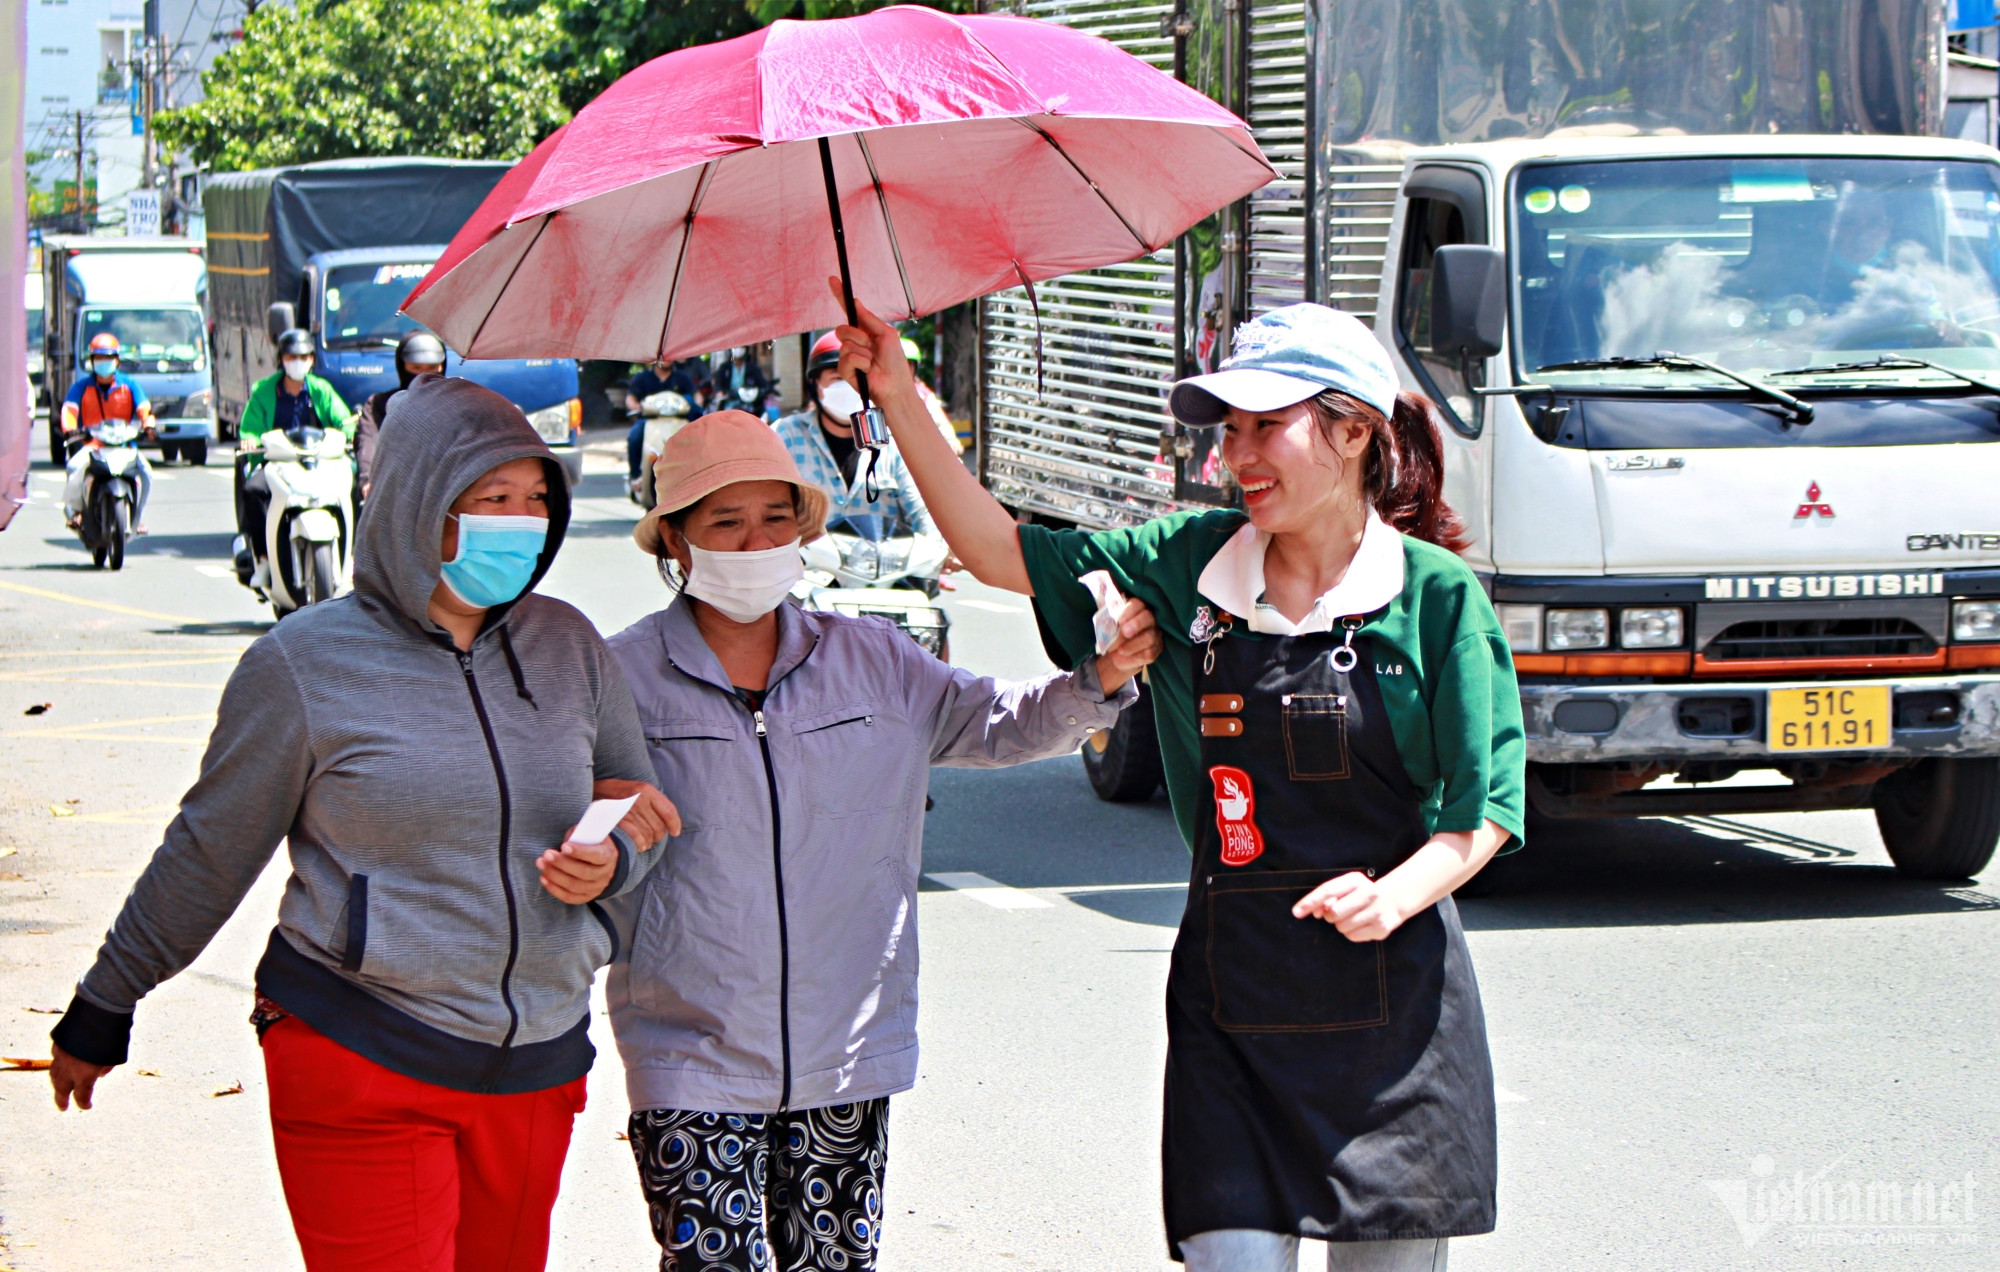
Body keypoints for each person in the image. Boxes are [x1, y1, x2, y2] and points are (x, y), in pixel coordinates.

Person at [832, 295, 1527, 1272]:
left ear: (1352, 432)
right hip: (1232, 1000)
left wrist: (1392, 896)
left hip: (1395, 1014)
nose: (1233, 456)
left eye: (1263, 427)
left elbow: (1481, 807)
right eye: (1226, 430)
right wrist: (899, 394)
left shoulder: (1436, 597)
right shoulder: (1183, 563)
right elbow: (995, 551)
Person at [47, 376, 682, 1271]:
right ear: (419, 502)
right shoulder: (305, 664)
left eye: (537, 498)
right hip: (362, 1050)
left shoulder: (568, 644)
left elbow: (635, 798)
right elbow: (209, 849)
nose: (523, 518)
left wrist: (613, 860)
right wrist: (106, 1000)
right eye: (492, 498)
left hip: (536, 1063)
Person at [604, 410, 1162, 1272]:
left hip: (846, 1053)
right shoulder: (620, 679)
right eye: (724, 521)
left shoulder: (875, 658)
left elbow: (1001, 722)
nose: (755, 541)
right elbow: (577, 829)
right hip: (691, 1054)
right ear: (675, 541)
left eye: (775, 518)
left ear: (804, 530)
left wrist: (1103, 679)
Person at [775, 332, 937, 541]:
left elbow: (922, 508)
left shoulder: (894, 440)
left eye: (856, 378)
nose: (849, 387)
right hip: (811, 570)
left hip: (885, 569)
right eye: (837, 378)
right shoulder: (784, 436)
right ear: (815, 384)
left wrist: (939, 547)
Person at [235, 330, 355, 582]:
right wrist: (250, 439)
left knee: (354, 485)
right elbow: (250, 428)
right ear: (282, 359)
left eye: (304, 356)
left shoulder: (321, 390)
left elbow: (343, 419)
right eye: (292, 356)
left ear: (312, 359)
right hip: (277, 464)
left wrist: (350, 431)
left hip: (318, 463)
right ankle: (264, 560)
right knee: (253, 491)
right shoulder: (263, 391)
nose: (298, 361)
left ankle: (353, 553)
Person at [61, 331, 155, 534]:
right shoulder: (81, 387)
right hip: (94, 446)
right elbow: (69, 410)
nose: (104, 362)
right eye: (99, 358)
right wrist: (69, 428)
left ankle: (137, 518)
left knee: (147, 473)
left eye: (108, 358)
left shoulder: (129, 385)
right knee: (73, 467)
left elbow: (144, 408)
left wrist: (148, 423)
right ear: (92, 361)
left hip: (124, 446)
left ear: (117, 361)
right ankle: (75, 512)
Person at [355, 329, 446, 497]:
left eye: (432, 368)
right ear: (402, 366)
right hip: (395, 493)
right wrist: (368, 481)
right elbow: (368, 441)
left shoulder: (452, 404)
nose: (424, 376)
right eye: (416, 368)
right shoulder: (381, 404)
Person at [624, 358, 700, 495]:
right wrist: (635, 406)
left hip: (678, 421)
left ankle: (699, 476)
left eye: (670, 356)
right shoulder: (642, 378)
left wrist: (697, 405)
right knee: (634, 437)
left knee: (698, 438)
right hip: (649, 421)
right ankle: (635, 476)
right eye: (663, 356)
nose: (666, 359)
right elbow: (630, 398)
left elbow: (697, 395)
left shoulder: (682, 378)